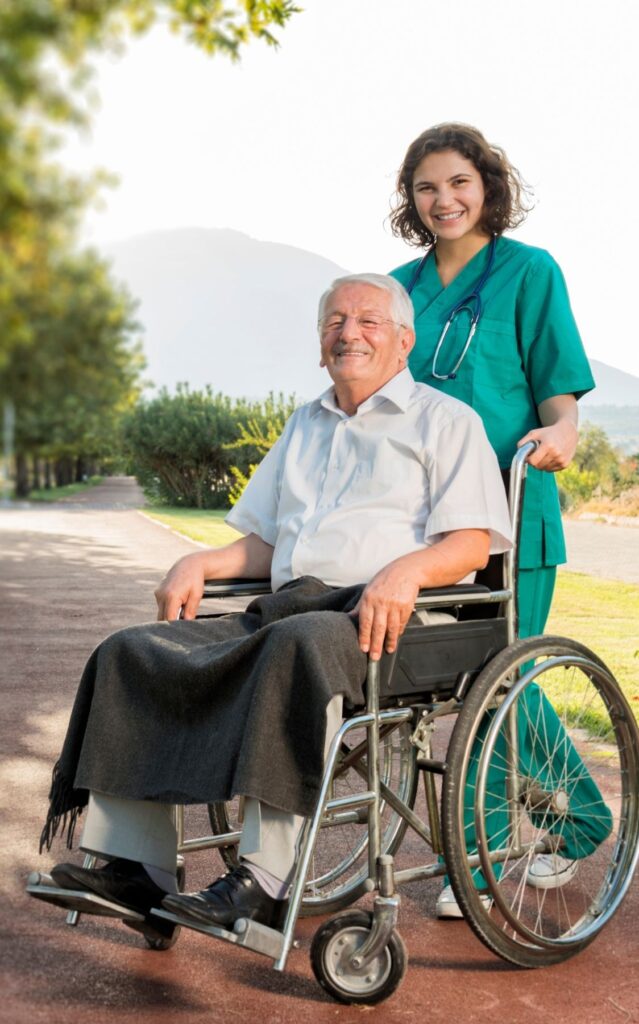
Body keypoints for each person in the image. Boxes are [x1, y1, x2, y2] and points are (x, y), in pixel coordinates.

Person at [37, 273, 512, 938]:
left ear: (403, 342)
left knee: (299, 644)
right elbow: (265, 542)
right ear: (319, 344)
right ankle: (137, 870)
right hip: (292, 609)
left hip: (390, 620)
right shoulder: (305, 422)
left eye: (368, 321)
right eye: (334, 321)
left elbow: (468, 543)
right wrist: (201, 560)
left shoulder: (445, 421)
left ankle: (262, 882)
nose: (348, 332)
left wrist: (407, 570)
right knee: (133, 650)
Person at [388, 122, 603, 916]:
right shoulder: (395, 289)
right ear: (409, 200)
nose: (442, 200)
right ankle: (571, 815)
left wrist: (564, 433)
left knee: (496, 672)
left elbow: (555, 383)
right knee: (454, 676)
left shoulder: (528, 272)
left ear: (487, 189)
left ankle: (485, 853)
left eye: (457, 183)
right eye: (425, 187)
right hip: (416, 519)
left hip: (511, 505)